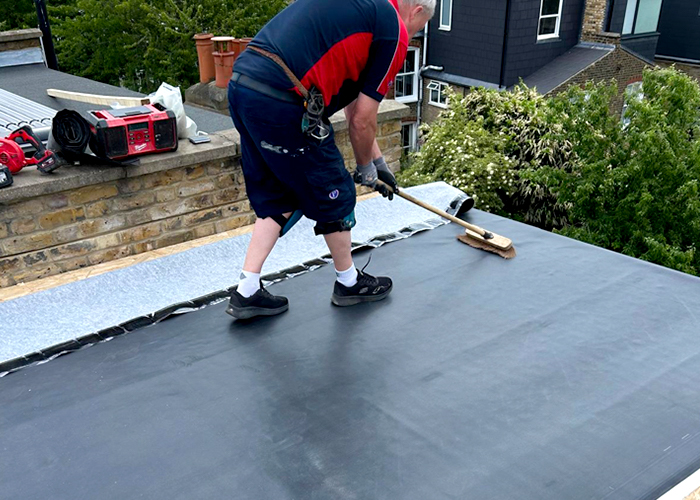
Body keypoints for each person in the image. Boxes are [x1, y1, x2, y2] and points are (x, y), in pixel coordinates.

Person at [226, 0, 435, 320]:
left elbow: (355, 107)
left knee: (278, 194)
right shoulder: (395, 32)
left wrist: (378, 164)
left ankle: (247, 290)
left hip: (244, 84)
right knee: (335, 189)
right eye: (419, 27)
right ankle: (349, 283)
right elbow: (362, 121)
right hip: (284, 97)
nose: (413, 34)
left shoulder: (365, 11)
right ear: (417, 10)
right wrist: (365, 170)